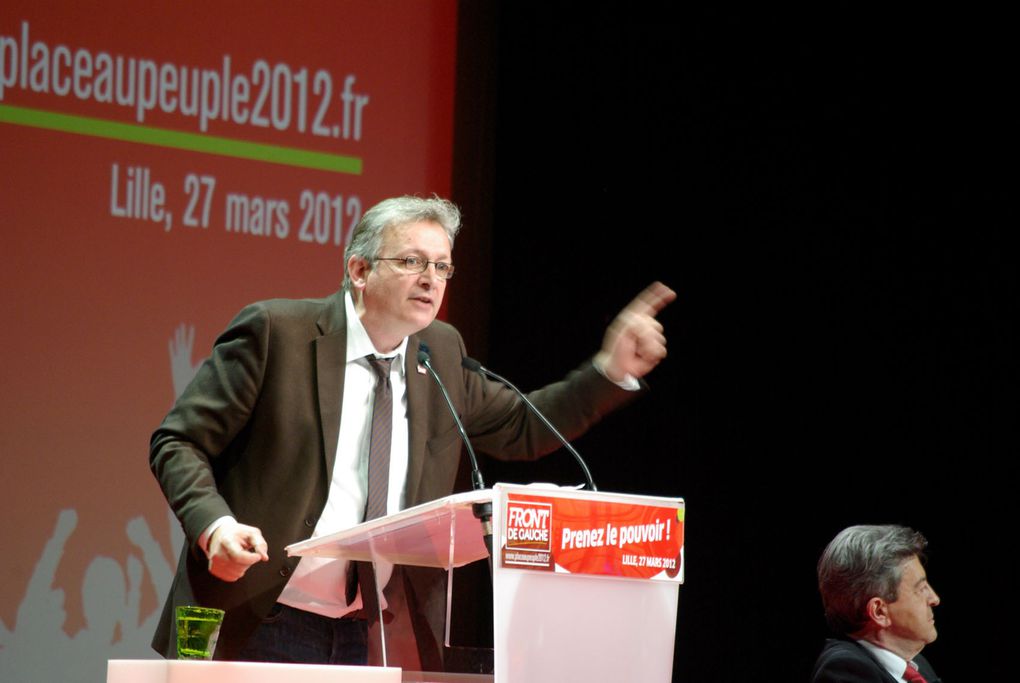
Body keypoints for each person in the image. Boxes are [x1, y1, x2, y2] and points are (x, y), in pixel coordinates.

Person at [149, 195, 675, 667]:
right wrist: (214, 526)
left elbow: (522, 428)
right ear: (359, 269)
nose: (431, 279)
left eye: (442, 266)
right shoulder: (276, 334)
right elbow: (179, 442)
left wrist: (609, 369)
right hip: (260, 618)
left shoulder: (438, 353)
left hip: (369, 635)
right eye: (411, 262)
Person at [811, 525, 943, 683]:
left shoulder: (917, 664)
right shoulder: (847, 671)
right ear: (879, 612)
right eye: (921, 589)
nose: (934, 599)